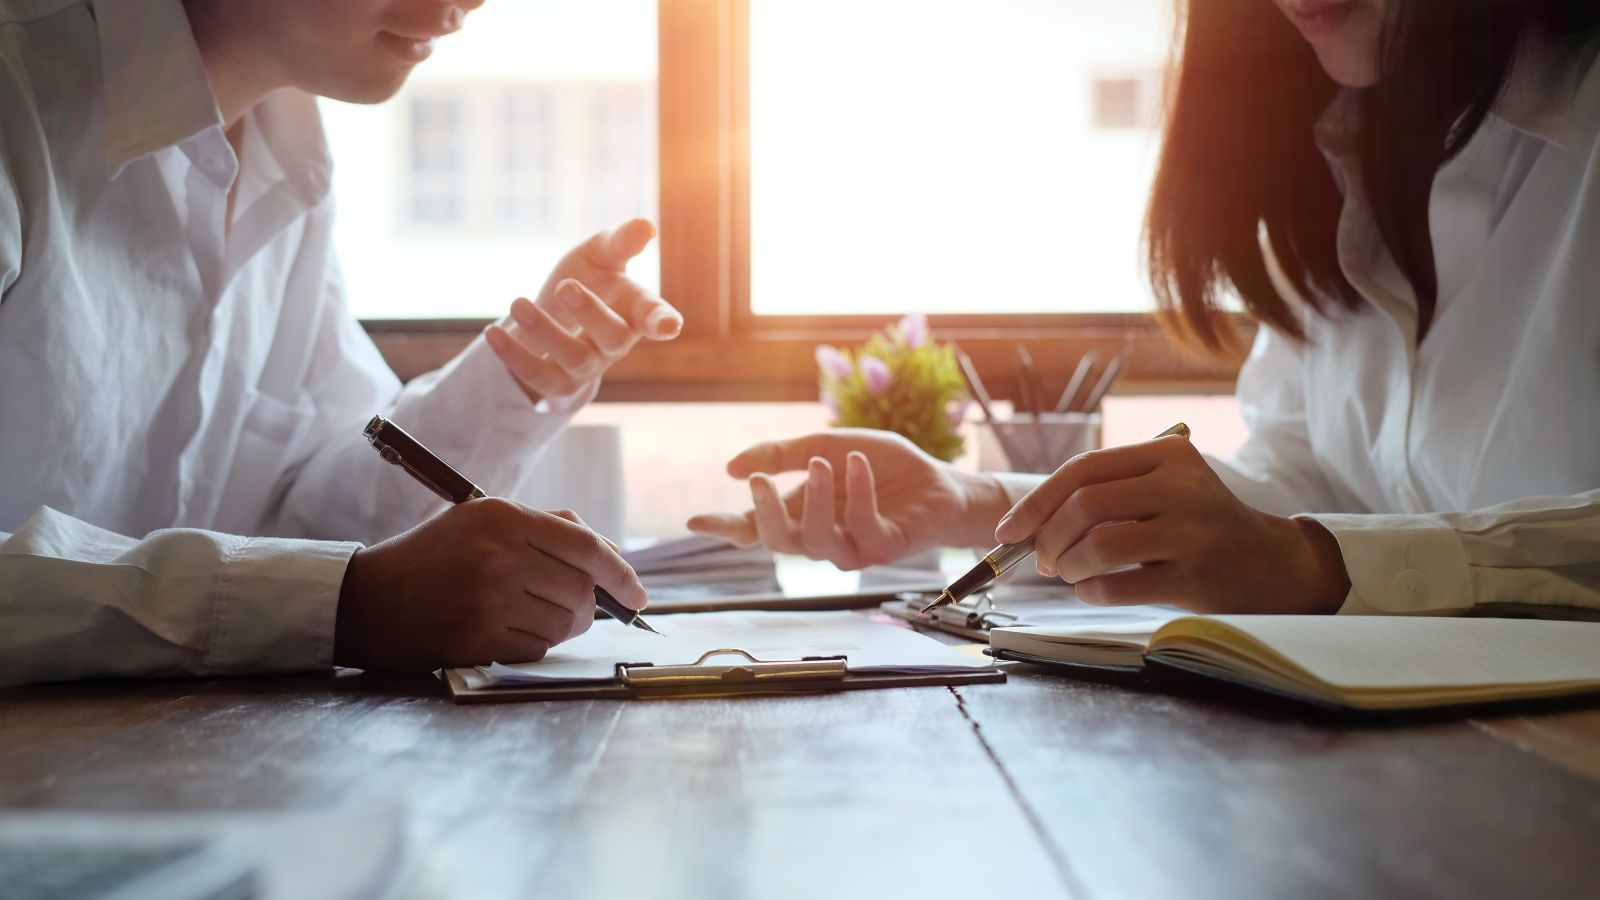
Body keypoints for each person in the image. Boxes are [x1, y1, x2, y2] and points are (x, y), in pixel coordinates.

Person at [690, 0, 1600, 619]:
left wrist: (1311, 565)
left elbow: (1313, 538)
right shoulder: (1337, 146)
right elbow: (1313, 480)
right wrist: (972, 502)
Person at [0, 0, 681, 686]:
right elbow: (340, 579)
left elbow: (317, 516)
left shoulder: (285, 150)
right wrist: (348, 604)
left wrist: (517, 377)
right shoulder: (15, 98)